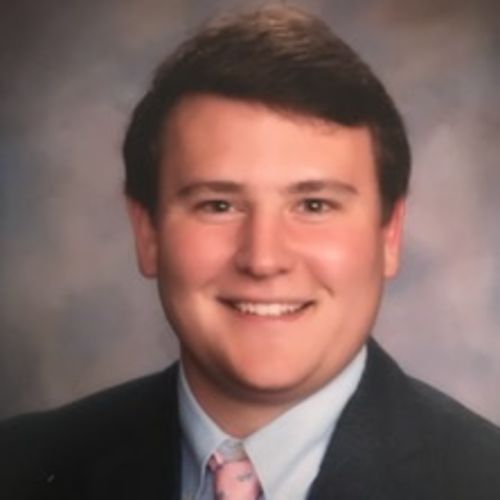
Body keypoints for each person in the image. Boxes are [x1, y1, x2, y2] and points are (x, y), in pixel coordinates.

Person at [1, 5, 499, 500]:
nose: (263, 259)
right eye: (218, 205)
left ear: (389, 234)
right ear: (147, 232)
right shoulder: (18, 467)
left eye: (314, 205)